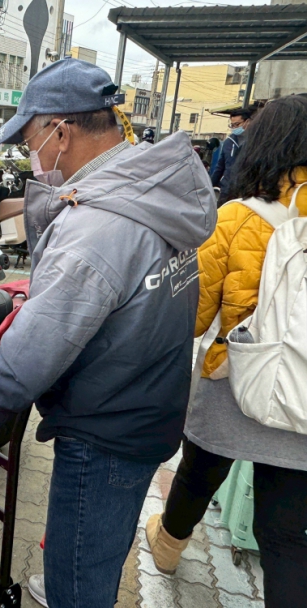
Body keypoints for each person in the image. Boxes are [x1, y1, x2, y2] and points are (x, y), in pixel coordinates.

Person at [0, 58, 216, 608]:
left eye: (31, 138)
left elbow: (32, 353)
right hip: (147, 409)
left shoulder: (98, 228)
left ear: (62, 129)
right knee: (95, 562)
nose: (32, 154)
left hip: (104, 434)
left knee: (78, 586)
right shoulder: (153, 193)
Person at [146, 95, 307, 607]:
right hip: (302, 396)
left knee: (197, 472)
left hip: (232, 378)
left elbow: (191, 315)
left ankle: (168, 549)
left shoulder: (236, 217)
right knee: (285, 539)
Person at [211, 108, 252, 202]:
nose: (234, 128)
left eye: (237, 124)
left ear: (247, 122)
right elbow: (220, 167)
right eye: (232, 125)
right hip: (226, 190)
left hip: (245, 193)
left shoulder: (255, 142)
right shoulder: (228, 142)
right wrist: (211, 185)